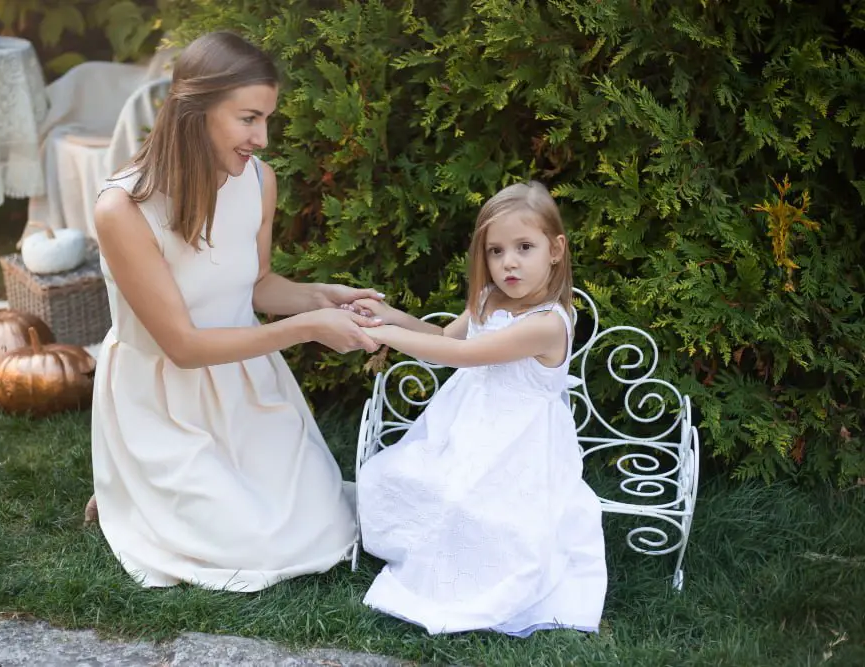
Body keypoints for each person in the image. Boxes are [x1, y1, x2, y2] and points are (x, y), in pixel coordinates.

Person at [87, 31, 385, 592]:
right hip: (164, 400)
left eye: (267, 118)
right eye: (249, 118)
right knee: (257, 547)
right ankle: (132, 483)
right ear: (195, 110)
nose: (263, 138)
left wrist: (327, 297)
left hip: (246, 386)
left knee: (323, 524)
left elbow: (258, 285)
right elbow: (183, 345)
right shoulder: (123, 209)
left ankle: (143, 492)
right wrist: (309, 329)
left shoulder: (257, 180)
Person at [348, 181, 608, 635]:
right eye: (496, 251)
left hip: (518, 441)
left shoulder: (548, 324)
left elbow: (465, 356)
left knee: (477, 508)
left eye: (524, 247)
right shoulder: (488, 298)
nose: (508, 262)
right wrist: (387, 318)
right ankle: (425, 560)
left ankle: (466, 582)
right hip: (467, 424)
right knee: (398, 477)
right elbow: (444, 341)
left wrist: (386, 339)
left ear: (556, 249)